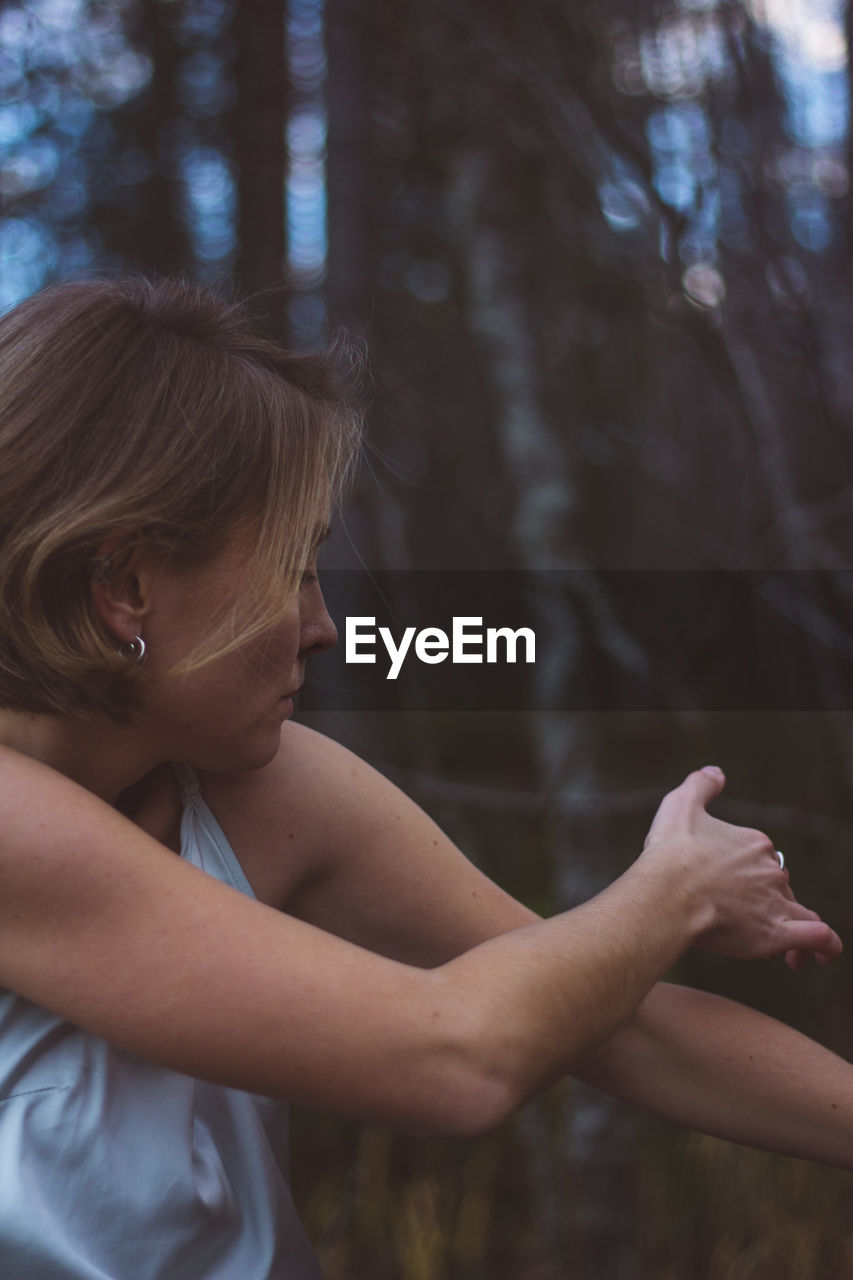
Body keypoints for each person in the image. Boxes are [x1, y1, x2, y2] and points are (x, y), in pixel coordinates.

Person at [0, 275, 850, 1279]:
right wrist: (672, 890)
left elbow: (627, 1023)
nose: (321, 625)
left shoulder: (262, 789)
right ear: (126, 583)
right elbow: (454, 1056)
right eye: (292, 566)